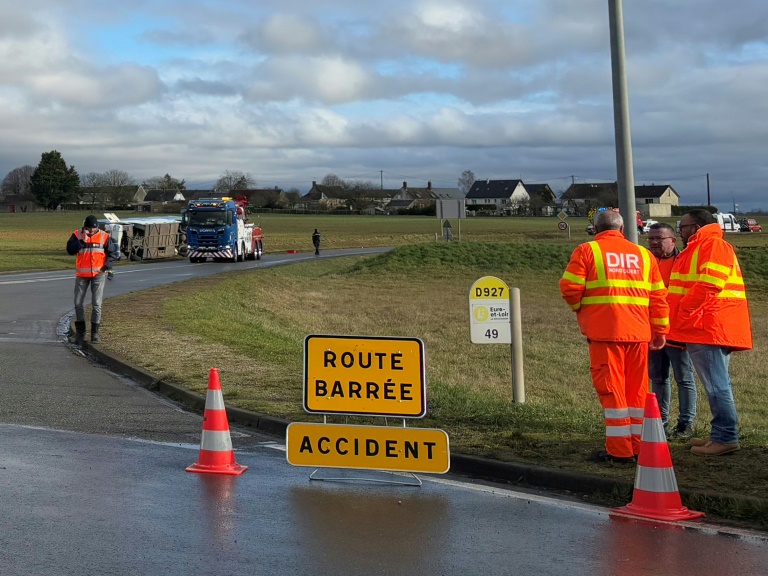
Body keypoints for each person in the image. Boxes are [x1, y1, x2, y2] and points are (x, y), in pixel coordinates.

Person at [560, 210, 669, 463]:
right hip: (639, 334)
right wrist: (660, 331)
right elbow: (658, 298)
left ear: (596, 229)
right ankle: (638, 446)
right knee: (637, 392)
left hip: (605, 334)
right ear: (622, 230)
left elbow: (569, 288)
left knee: (612, 391)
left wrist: (581, 309)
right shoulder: (644, 255)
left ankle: (619, 451)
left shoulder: (587, 251)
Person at [668, 210, 753, 456]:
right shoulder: (703, 247)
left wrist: (684, 311)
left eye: (682, 226)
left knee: (717, 386)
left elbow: (710, 285)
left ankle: (725, 437)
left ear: (696, 227)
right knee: (717, 384)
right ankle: (720, 434)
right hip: (704, 326)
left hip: (707, 327)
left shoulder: (713, 246)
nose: (680, 231)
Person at [646, 223, 697, 439]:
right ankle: (660, 423)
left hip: (678, 332)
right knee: (658, 378)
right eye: (651, 238)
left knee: (684, 378)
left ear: (673, 240)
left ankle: (685, 424)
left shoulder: (684, 261)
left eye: (659, 238)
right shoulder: (645, 260)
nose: (654, 242)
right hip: (653, 331)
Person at [66, 215, 120, 343]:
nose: (92, 231)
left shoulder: (104, 236)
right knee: (78, 303)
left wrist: (106, 266)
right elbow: (70, 250)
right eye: (89, 229)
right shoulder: (77, 234)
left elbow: (113, 253)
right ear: (85, 227)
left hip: (98, 275)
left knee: (96, 304)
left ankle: (95, 334)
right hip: (82, 276)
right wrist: (81, 242)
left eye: (94, 229)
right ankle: (80, 333)